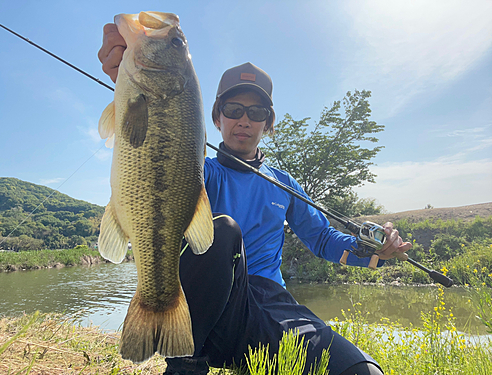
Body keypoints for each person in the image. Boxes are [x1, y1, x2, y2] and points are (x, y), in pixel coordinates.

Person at [98, 23, 412, 375]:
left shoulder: (284, 184)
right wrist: (133, 89)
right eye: (233, 109)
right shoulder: (198, 171)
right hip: (206, 313)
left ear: (269, 124)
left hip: (271, 306)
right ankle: (184, 365)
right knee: (224, 232)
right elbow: (159, 156)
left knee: (363, 372)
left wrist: (374, 251)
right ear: (216, 119)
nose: (244, 120)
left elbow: (323, 239)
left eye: (257, 112)